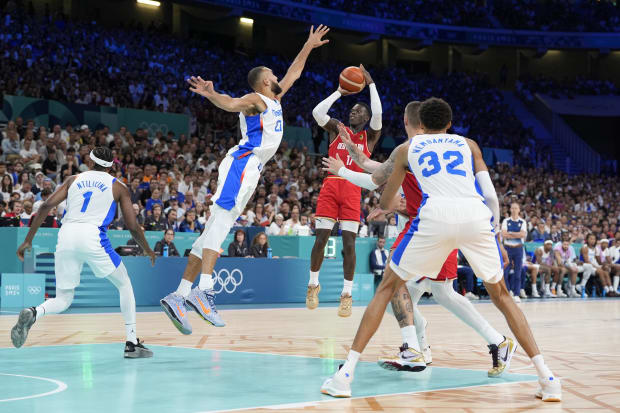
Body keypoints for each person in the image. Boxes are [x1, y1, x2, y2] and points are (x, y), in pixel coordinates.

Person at [320, 98, 561, 402]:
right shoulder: (469, 144)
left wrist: (380, 201)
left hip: (434, 218)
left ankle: (345, 376)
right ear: (449, 124)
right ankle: (548, 378)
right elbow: (489, 193)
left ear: (418, 121)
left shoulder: (407, 149)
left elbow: (379, 188)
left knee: (388, 288)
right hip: (476, 216)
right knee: (501, 295)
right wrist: (493, 228)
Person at [159, 25, 330, 335]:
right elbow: (231, 102)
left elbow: (294, 73)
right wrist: (212, 94)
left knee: (209, 233)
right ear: (266, 81)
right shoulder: (256, 99)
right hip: (242, 164)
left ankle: (179, 295)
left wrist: (308, 45)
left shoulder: (275, 101)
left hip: (252, 169)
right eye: (274, 76)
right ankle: (205, 291)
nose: (280, 78)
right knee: (221, 227)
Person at [11, 147, 156, 358]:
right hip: (93, 237)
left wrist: (27, 240)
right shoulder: (119, 187)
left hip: (67, 235)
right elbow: (133, 226)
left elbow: (45, 207)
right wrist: (147, 249)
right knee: (124, 284)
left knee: (63, 299)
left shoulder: (73, 179)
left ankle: (34, 312)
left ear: (90, 161)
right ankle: (132, 342)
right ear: (112, 165)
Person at [307, 64, 383, 317]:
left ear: (366, 117)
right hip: (330, 186)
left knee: (348, 244)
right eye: (352, 109)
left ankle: (347, 293)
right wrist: (339, 92)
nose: (353, 112)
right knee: (321, 239)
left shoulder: (369, 137)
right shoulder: (338, 129)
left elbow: (379, 116)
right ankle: (313, 284)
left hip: (353, 189)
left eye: (359, 110)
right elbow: (318, 113)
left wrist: (370, 84)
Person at [502, 203, 528, 302]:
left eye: (516, 208)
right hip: (507, 249)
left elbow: (523, 234)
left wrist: (510, 234)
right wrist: (516, 234)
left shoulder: (522, 221)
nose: (514, 210)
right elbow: (504, 234)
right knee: (505, 271)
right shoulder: (506, 221)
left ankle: (517, 294)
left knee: (518, 272)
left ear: (519, 210)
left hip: (518, 249)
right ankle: (508, 292)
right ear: (510, 209)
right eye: (512, 208)